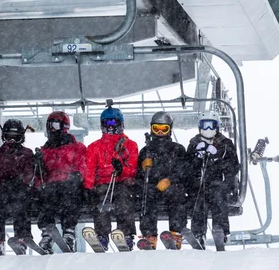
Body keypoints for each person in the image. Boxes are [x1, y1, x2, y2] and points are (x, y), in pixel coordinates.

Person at [85, 105, 139, 251]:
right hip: (103, 182)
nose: (111, 127)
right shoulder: (94, 147)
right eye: (107, 123)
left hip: (122, 182)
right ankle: (102, 235)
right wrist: (88, 187)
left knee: (124, 200)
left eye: (114, 123)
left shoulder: (130, 145)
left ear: (120, 124)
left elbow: (133, 169)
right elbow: (89, 169)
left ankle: (126, 234)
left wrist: (122, 170)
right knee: (102, 201)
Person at [185, 111, 240, 249]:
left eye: (211, 125)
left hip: (218, 182)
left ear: (217, 127)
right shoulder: (193, 144)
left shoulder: (226, 144)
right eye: (205, 125)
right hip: (199, 183)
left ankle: (220, 230)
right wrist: (197, 158)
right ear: (200, 127)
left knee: (218, 197)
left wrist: (216, 158)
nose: (208, 129)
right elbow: (186, 167)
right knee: (198, 200)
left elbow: (233, 166)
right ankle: (198, 234)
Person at [35, 111, 87, 253]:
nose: (52, 129)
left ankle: (69, 233)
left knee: (69, 194)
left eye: (55, 125)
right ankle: (47, 234)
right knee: (46, 195)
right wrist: (39, 170)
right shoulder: (45, 151)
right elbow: (40, 177)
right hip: (52, 188)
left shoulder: (77, 147)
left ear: (64, 126)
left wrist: (76, 176)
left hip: (71, 186)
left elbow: (83, 166)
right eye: (49, 125)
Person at [136, 111, 188, 249]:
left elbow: (184, 171)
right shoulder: (146, 151)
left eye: (163, 129)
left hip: (172, 186)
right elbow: (138, 176)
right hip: (153, 187)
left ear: (170, 129)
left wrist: (170, 180)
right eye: (156, 129)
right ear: (151, 128)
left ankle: (176, 233)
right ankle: (149, 236)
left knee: (178, 196)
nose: (159, 132)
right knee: (146, 196)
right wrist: (143, 168)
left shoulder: (177, 149)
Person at [0, 119, 35, 255]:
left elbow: (29, 174)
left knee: (21, 204)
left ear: (21, 137)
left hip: (19, 191)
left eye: (15, 137)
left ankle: (22, 238)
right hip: (1, 192)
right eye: (8, 137)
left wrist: (17, 182)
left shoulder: (27, 153)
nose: (11, 140)